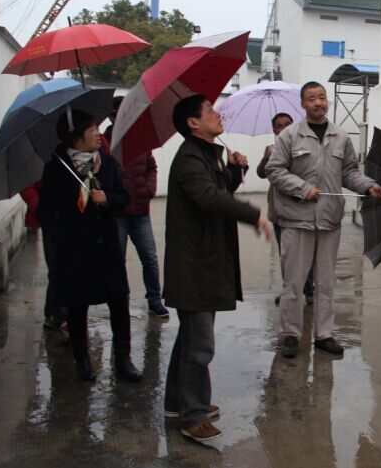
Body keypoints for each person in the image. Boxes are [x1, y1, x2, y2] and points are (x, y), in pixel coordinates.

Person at [162, 94, 272, 443]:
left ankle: (177, 403)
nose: (218, 113)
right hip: (194, 264)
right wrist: (253, 214)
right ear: (193, 123)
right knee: (199, 346)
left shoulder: (205, 155)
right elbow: (208, 198)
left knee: (189, 338)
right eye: (210, 110)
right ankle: (193, 416)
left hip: (203, 260)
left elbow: (217, 189)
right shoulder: (189, 158)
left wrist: (234, 170)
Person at [266, 82, 381, 359]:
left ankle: (324, 335)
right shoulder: (289, 135)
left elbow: (349, 172)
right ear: (303, 104)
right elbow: (275, 170)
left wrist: (368, 186)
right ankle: (290, 335)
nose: (318, 102)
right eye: (312, 98)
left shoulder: (340, 136)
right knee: (294, 283)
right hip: (297, 220)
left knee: (325, 282)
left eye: (321, 97)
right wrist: (302, 188)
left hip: (329, 220)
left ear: (327, 102)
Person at [37, 109, 141, 384]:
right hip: (75, 250)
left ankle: (123, 358)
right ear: (76, 138)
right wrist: (64, 236)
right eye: (92, 130)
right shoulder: (56, 169)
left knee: (119, 300)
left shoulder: (106, 163)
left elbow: (124, 197)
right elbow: (45, 214)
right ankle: (82, 359)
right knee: (77, 305)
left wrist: (107, 199)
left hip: (107, 246)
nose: (98, 134)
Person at [104, 97, 169, 319]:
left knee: (149, 258)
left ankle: (154, 300)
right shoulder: (104, 144)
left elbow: (152, 168)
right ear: (112, 116)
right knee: (117, 260)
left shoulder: (141, 140)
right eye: (120, 113)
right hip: (116, 213)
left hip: (141, 211)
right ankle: (120, 300)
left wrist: (149, 190)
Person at [256, 112, 314, 306]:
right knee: (286, 253)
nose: (283, 128)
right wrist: (267, 157)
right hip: (279, 209)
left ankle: (309, 289)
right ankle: (289, 289)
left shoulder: (303, 146)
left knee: (306, 251)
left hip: (301, 207)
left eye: (287, 124)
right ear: (274, 129)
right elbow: (261, 173)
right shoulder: (270, 149)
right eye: (279, 125)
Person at [21, 181, 68, 333]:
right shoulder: (41, 166)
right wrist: (41, 209)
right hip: (51, 221)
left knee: (72, 268)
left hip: (74, 220)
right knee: (57, 269)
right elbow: (28, 187)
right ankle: (57, 315)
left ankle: (63, 313)